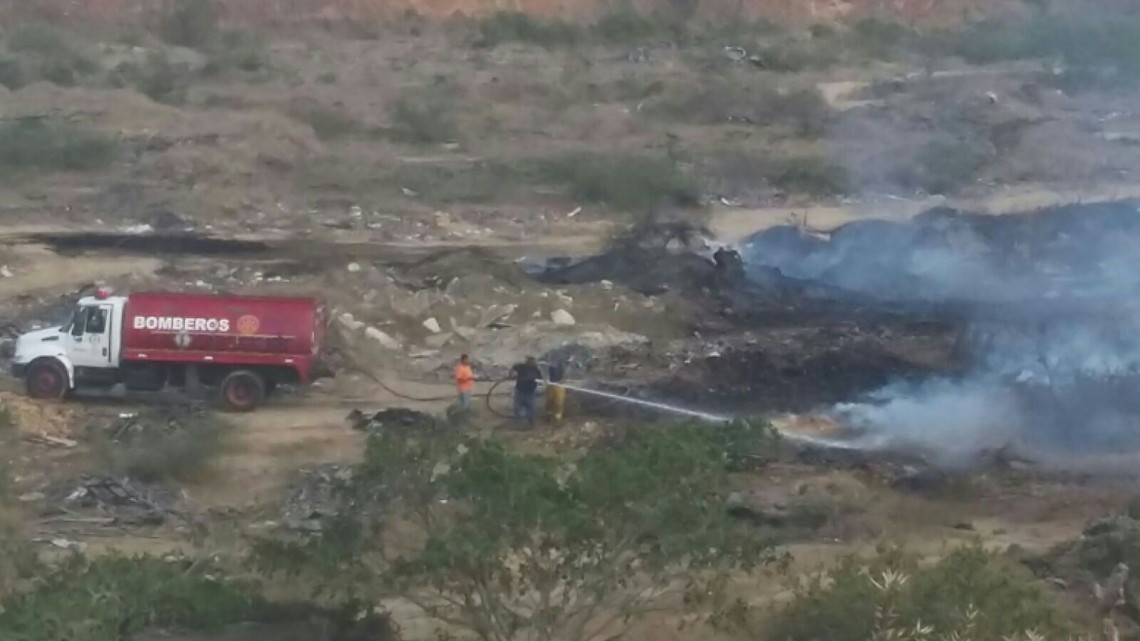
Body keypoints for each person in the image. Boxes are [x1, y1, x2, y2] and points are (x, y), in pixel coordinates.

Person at [510, 356, 542, 427]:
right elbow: (513, 368)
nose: (533, 363)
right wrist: (511, 374)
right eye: (531, 361)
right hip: (520, 391)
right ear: (527, 362)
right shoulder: (521, 367)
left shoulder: (536, 370)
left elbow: (540, 380)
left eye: (533, 361)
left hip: (530, 392)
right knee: (517, 408)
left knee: (531, 408)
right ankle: (518, 423)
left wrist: (539, 385)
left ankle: (531, 423)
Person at [545, 357, 566, 423]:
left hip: (559, 384)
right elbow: (548, 374)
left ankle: (557, 418)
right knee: (549, 400)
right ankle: (548, 416)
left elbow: (564, 375)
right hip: (551, 384)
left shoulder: (562, 365)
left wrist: (561, 381)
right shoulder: (551, 365)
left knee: (559, 402)